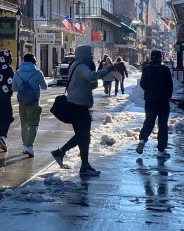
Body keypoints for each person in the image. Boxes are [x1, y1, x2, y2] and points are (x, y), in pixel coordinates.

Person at [51, 45, 111, 177]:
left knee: (83, 135)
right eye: (89, 54)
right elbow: (91, 76)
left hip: (76, 104)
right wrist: (107, 70)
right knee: (84, 136)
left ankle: (68, 156)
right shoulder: (81, 67)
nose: (90, 56)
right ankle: (82, 164)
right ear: (84, 54)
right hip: (79, 105)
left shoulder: (75, 65)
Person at [136, 49, 174, 155]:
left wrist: (149, 90)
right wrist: (168, 96)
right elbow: (170, 85)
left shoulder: (146, 68)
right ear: (160, 58)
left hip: (150, 100)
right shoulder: (165, 69)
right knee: (162, 125)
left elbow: (142, 84)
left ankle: (142, 140)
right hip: (163, 101)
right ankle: (161, 150)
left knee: (149, 121)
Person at [12, 53, 48, 157]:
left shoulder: (17, 73)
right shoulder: (37, 73)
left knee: (24, 124)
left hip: (21, 102)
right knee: (33, 124)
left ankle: (24, 146)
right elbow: (44, 87)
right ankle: (30, 146)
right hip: (34, 102)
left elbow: (14, 89)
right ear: (33, 62)